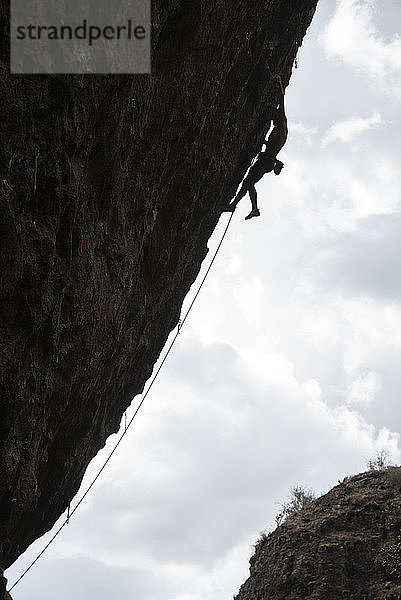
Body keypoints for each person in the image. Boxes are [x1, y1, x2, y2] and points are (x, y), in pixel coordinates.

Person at [225, 87, 288, 220]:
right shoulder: (282, 127)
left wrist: (280, 85)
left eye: (273, 118)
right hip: (267, 162)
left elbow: (282, 100)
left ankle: (246, 207)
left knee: (248, 182)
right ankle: (244, 207)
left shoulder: (280, 127)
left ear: (277, 117)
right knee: (248, 182)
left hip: (266, 162)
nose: (272, 121)